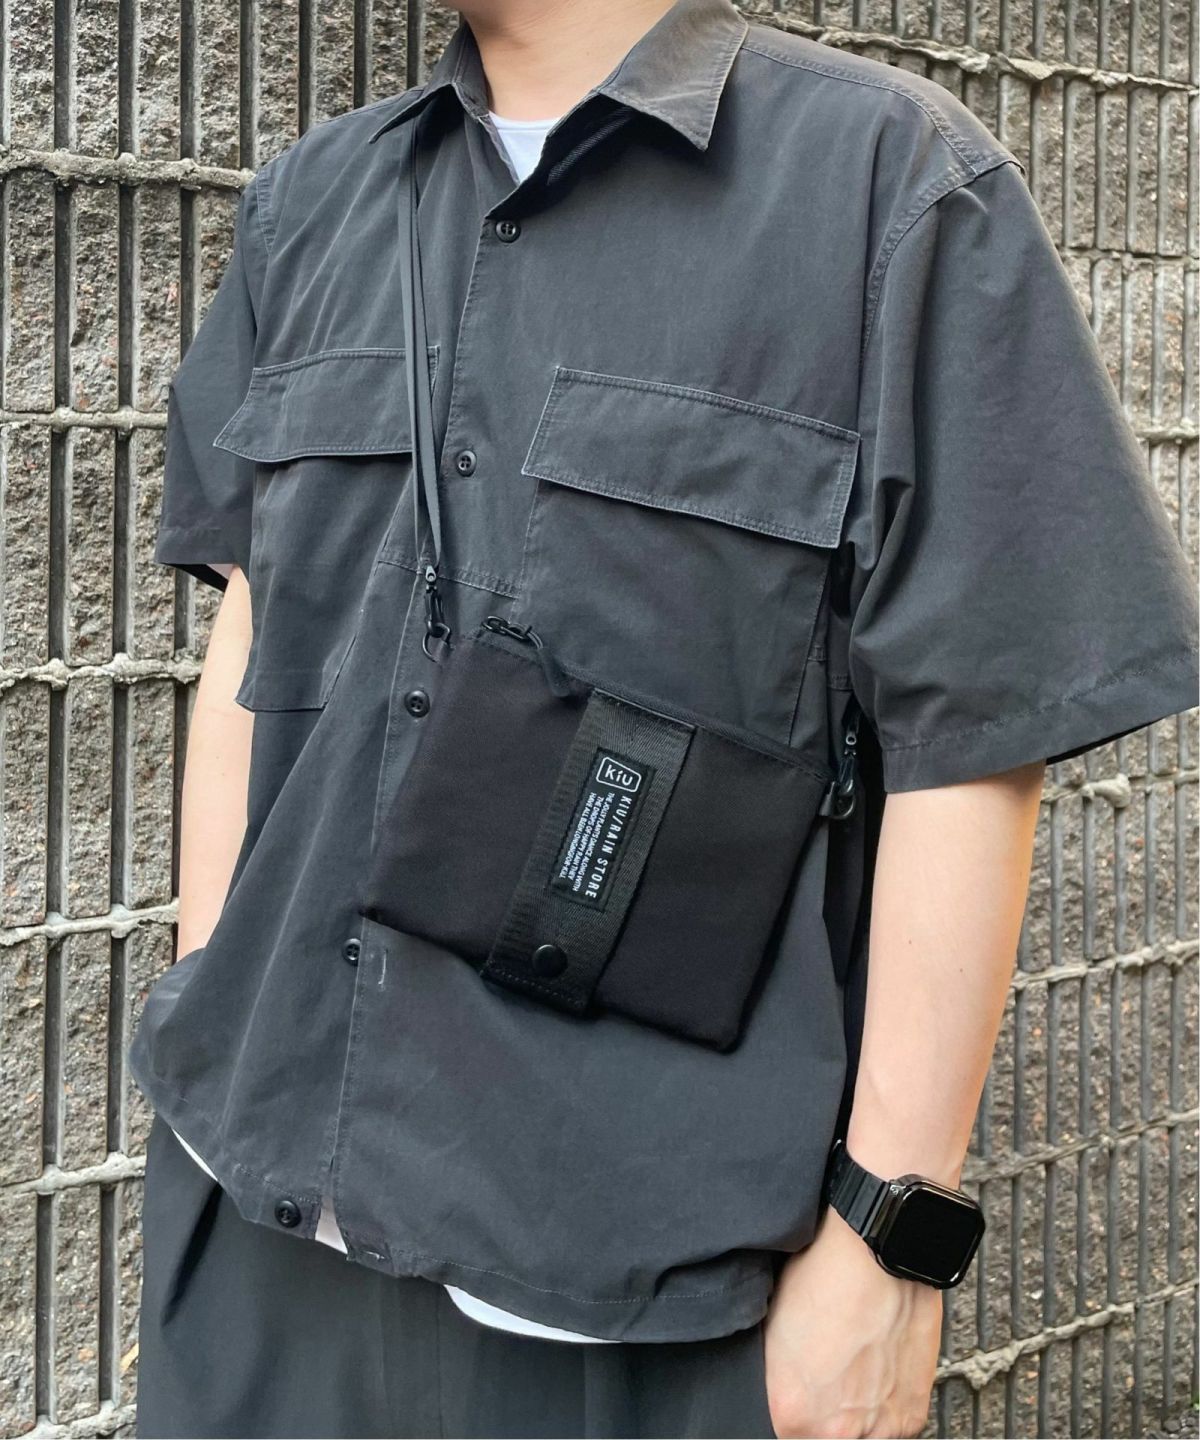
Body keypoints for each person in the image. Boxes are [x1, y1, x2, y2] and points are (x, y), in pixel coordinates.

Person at [129, 0, 1200, 1435]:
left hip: (644, 1300)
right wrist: (206, 987)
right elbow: (254, 626)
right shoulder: (312, 203)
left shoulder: (890, 187)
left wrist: (890, 1248)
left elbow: (973, 734)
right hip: (257, 1232)